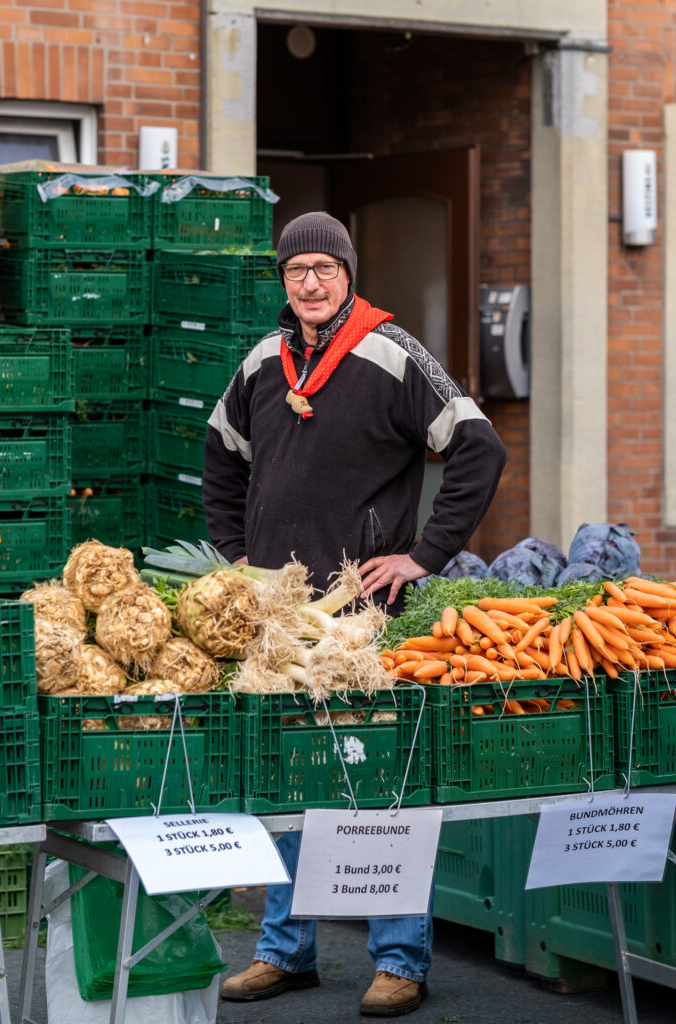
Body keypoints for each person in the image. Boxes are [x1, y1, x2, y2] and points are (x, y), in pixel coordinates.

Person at [202, 211, 506, 1016]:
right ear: (283, 281)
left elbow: (478, 445)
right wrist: (235, 553)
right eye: (295, 270)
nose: (309, 283)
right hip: (278, 615)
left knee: (377, 783)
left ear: (347, 274)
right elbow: (219, 452)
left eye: (323, 270)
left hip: (361, 613)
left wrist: (424, 554)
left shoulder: (392, 353)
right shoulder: (264, 361)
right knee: (284, 780)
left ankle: (399, 958)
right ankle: (284, 951)